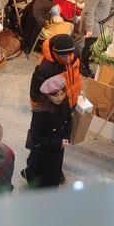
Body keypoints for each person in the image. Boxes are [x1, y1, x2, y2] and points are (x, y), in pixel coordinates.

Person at [25, 34, 82, 188]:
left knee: (59, 135)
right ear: (56, 54)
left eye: (71, 54)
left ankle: (48, 168)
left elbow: (76, 76)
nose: (69, 58)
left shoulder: (75, 54)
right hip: (48, 109)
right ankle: (32, 167)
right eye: (65, 56)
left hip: (68, 103)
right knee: (40, 142)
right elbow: (35, 95)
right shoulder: (44, 68)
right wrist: (41, 111)